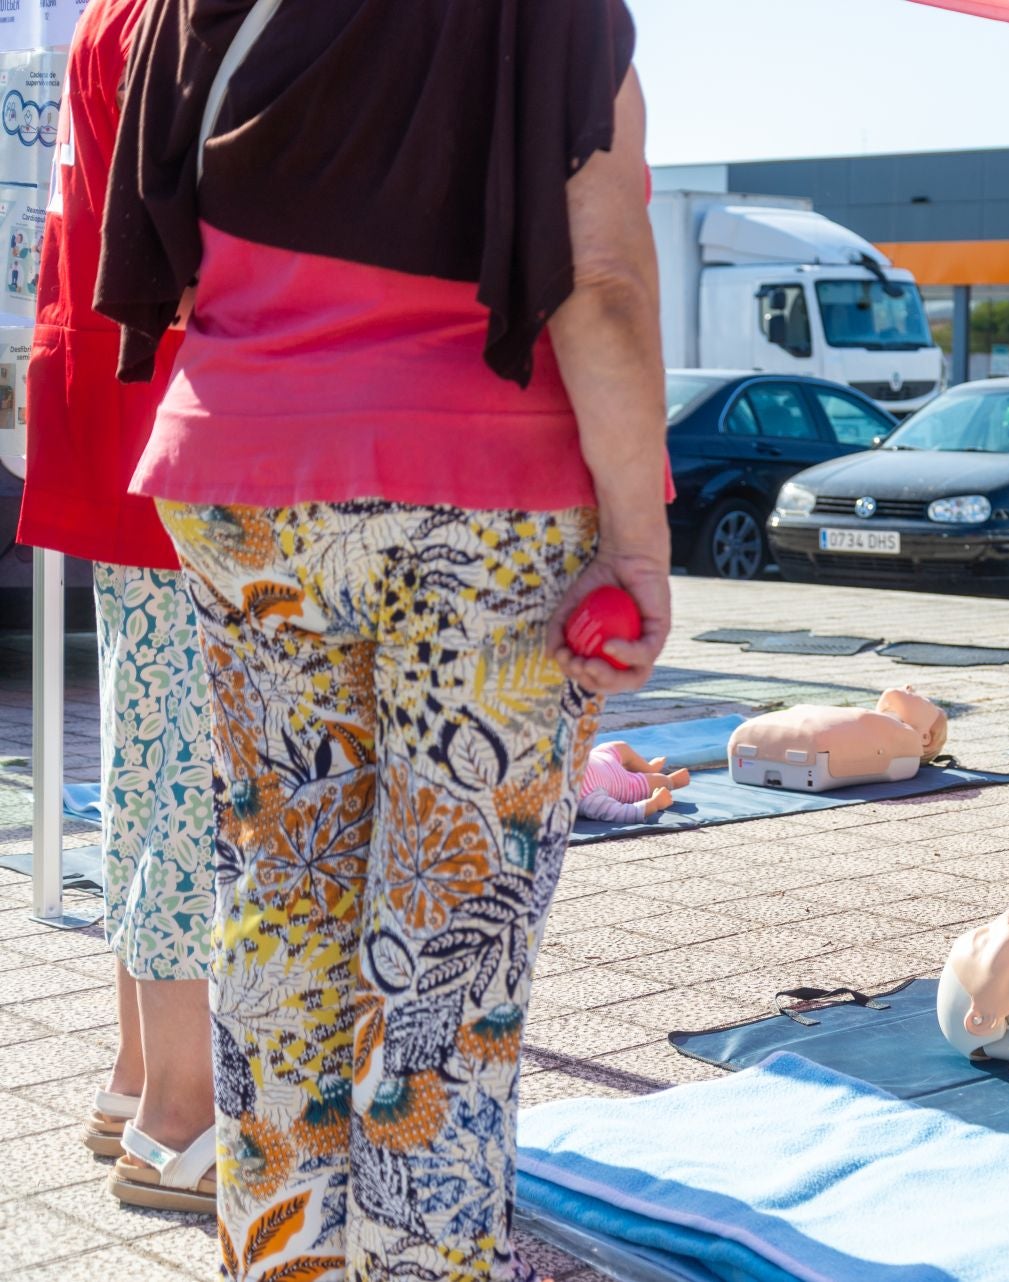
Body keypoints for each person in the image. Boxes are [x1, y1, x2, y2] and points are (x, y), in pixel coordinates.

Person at [96, 0, 669, 1275]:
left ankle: (286, 1258)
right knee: (447, 970)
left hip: (248, 481)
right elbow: (607, 285)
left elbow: (173, 253)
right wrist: (638, 547)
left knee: (283, 912)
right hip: (493, 497)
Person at [16, 0, 217, 1213]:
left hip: (114, 415)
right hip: (184, 433)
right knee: (183, 776)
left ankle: (142, 1083)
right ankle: (180, 1115)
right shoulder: (179, 11)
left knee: (149, 765)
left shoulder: (110, 12)